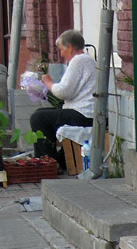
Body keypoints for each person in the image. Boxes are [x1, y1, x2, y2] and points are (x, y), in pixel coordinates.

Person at [30, 29, 95, 169]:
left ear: (69, 47)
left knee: (39, 118)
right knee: (42, 113)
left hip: (84, 113)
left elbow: (63, 91)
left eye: (61, 49)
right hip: (86, 111)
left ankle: (47, 164)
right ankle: (58, 159)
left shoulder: (78, 61)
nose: (61, 54)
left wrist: (48, 83)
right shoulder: (87, 60)